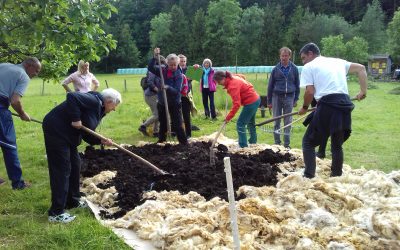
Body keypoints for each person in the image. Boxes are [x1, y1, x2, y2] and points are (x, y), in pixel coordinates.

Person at [42, 88, 121, 223]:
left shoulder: (98, 109)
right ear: (108, 101)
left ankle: (72, 201)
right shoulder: (94, 100)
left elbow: (87, 134)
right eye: (114, 106)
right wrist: (76, 119)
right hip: (56, 132)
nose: (113, 110)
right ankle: (56, 213)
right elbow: (72, 96)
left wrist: (100, 140)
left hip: (67, 136)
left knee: (75, 164)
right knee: (62, 169)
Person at [298, 42, 367, 178]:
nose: (304, 62)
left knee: (308, 142)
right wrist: (363, 91)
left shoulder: (309, 67)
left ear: (311, 53)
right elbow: (361, 69)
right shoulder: (337, 62)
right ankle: (336, 176)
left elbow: (310, 92)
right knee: (336, 144)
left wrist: (305, 107)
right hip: (344, 104)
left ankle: (309, 175)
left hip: (328, 105)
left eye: (303, 58)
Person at [0, 57, 41, 190]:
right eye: (36, 70)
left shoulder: (4, 65)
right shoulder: (23, 75)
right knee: (9, 146)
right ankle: (18, 184)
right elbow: (15, 101)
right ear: (28, 66)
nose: (36, 74)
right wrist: (23, 114)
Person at [147, 48, 187, 145]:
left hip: (174, 102)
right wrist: (155, 56)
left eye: (175, 65)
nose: (173, 67)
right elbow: (150, 68)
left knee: (177, 123)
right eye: (171, 65)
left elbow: (177, 91)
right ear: (167, 63)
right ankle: (162, 140)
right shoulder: (162, 70)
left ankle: (183, 142)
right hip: (162, 101)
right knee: (163, 122)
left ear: (177, 64)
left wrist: (167, 87)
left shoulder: (179, 75)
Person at [213, 71, 261, 148]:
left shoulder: (233, 86)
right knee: (250, 123)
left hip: (251, 102)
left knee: (240, 123)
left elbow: (237, 104)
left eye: (218, 81)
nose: (218, 84)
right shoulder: (232, 77)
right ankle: (253, 142)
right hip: (256, 99)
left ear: (224, 78)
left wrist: (228, 117)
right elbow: (242, 76)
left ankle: (243, 145)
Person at [267, 47, 300, 148]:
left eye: (286, 56)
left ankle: (286, 144)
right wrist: (269, 101)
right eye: (282, 56)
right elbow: (270, 85)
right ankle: (277, 143)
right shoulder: (275, 69)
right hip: (276, 97)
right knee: (276, 120)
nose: (284, 58)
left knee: (287, 121)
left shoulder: (294, 69)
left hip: (289, 97)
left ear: (289, 56)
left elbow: (297, 84)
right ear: (280, 56)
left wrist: (296, 99)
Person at [138, 56, 166, 137]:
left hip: (155, 95)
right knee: (157, 114)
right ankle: (143, 126)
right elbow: (150, 83)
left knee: (157, 113)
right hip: (151, 96)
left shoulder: (160, 70)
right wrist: (158, 90)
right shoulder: (153, 71)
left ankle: (155, 132)